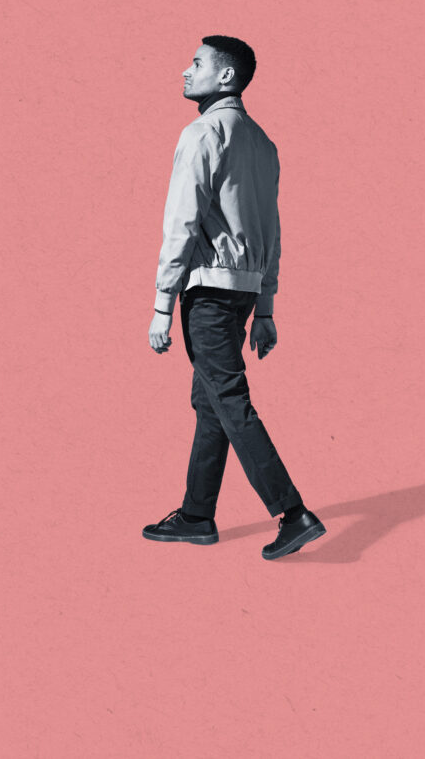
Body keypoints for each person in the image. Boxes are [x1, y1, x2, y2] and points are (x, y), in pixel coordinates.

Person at [140, 35, 325, 561]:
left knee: (231, 401)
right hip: (243, 293)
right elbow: (272, 229)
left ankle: (293, 513)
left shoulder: (203, 133)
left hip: (209, 294)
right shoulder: (262, 142)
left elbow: (181, 222)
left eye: (196, 63)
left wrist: (161, 304)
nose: (185, 70)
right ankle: (197, 515)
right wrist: (264, 307)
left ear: (225, 77)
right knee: (212, 403)